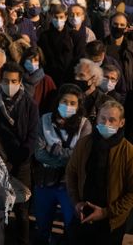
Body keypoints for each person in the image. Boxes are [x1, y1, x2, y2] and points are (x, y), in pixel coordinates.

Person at [0, 62, 39, 245]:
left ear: (20, 81)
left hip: (22, 163)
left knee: (22, 210)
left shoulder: (29, 104)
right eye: (6, 80)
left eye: (13, 81)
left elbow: (32, 134)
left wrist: (22, 156)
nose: (9, 84)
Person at [66, 101, 133, 245]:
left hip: (111, 223)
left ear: (121, 123)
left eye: (112, 120)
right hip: (82, 216)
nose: (106, 123)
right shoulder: (84, 144)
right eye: (103, 118)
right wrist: (76, 202)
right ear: (97, 119)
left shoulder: (129, 152)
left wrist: (105, 212)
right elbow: (71, 173)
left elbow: (131, 193)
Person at [33, 84, 92, 244]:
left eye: (73, 103)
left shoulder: (85, 125)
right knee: (42, 227)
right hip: (45, 181)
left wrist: (54, 149)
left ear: (79, 105)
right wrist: (67, 159)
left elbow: (80, 157)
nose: (68, 106)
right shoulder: (45, 119)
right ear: (58, 101)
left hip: (70, 185)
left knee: (71, 227)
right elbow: (39, 153)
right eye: (64, 101)